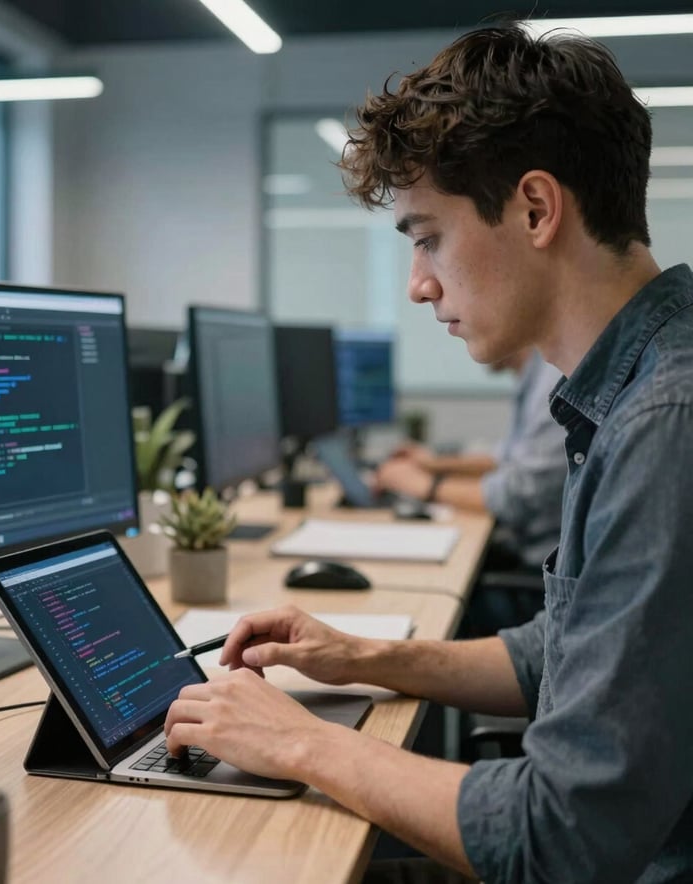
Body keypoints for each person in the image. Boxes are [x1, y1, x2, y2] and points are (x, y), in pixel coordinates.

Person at [165, 23, 693, 882]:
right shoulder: (634, 387)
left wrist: (299, 741)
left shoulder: (664, 423)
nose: (418, 282)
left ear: (534, 209)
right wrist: (360, 657)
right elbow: (561, 648)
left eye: (427, 236)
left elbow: (562, 838)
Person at [376, 346, 565, 573]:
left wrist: (423, 485)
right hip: (528, 554)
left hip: (538, 572)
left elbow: (517, 496)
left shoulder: (554, 379)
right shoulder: (536, 373)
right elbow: (507, 457)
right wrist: (433, 464)